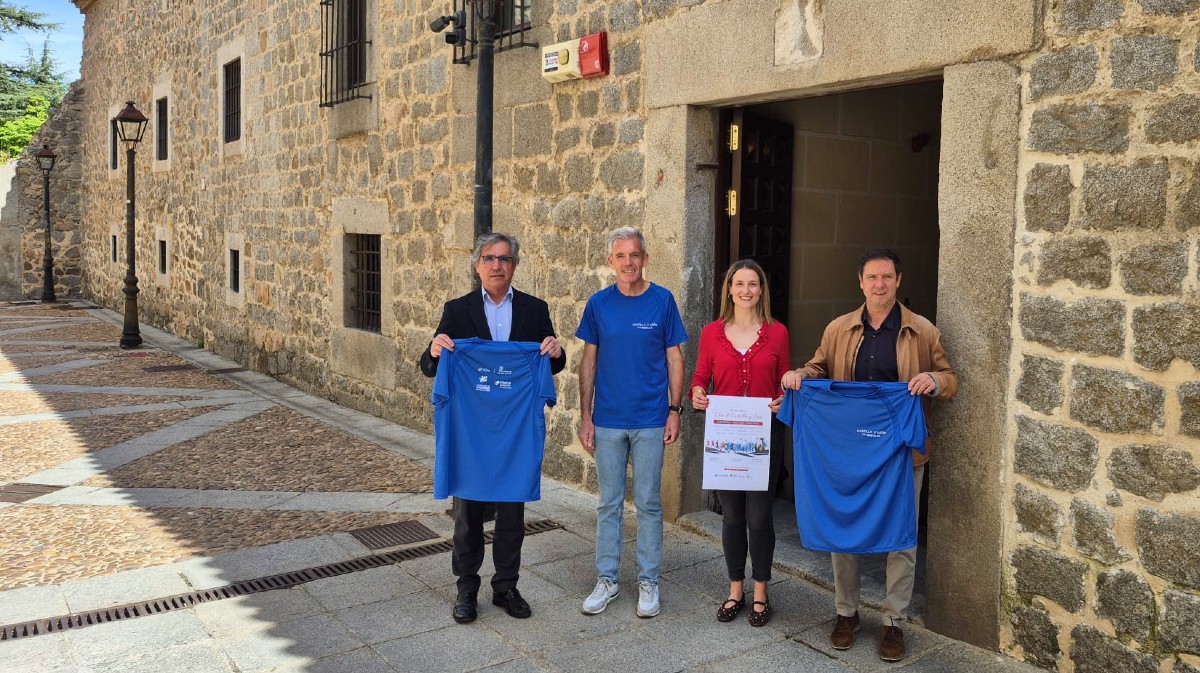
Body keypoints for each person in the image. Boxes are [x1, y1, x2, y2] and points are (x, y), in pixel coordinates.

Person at [781, 248, 956, 662]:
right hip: (850, 451)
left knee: (902, 535)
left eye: (887, 277)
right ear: (860, 282)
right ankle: (846, 613)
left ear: (899, 281)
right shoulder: (839, 328)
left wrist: (933, 380)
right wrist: (799, 376)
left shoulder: (922, 330)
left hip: (900, 452)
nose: (880, 284)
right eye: (872, 278)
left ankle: (894, 620)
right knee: (844, 527)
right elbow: (817, 368)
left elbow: (950, 378)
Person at [420, 232, 566, 624]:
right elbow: (430, 365)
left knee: (512, 514)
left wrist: (556, 351)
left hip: (514, 432)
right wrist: (434, 350)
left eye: (504, 259)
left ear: (514, 266)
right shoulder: (458, 309)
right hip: (472, 433)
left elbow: (552, 364)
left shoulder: (535, 310)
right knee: (467, 516)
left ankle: (506, 587)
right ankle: (466, 589)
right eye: (489, 258)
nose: (497, 265)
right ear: (477, 265)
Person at [576, 227, 687, 619]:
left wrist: (675, 410)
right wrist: (585, 415)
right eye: (621, 256)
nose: (628, 263)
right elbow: (588, 362)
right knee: (608, 503)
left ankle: (648, 582)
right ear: (611, 261)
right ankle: (606, 580)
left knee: (649, 503)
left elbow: (675, 357)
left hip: (650, 420)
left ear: (645, 258)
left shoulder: (662, 301)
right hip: (606, 420)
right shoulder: (598, 304)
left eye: (634, 255)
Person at [689, 260, 790, 627]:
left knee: (760, 517)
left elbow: (783, 381)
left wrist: (783, 399)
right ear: (729, 289)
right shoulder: (712, 332)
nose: (746, 290)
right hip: (725, 437)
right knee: (732, 517)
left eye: (753, 284)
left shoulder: (778, 332)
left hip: (765, 436)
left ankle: (761, 591)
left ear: (761, 289)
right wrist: (698, 392)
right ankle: (735, 589)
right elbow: (700, 376)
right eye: (739, 284)